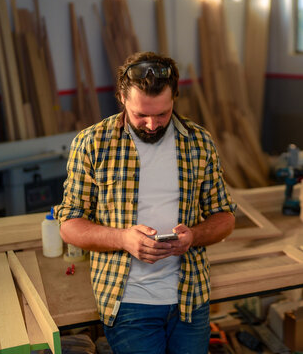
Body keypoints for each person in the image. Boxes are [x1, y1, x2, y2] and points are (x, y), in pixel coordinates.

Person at [54, 51, 236, 354]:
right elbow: (70, 225)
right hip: (128, 301)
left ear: (175, 97)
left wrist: (193, 237)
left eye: (162, 114)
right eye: (141, 115)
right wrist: (122, 238)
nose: (152, 125)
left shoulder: (199, 142)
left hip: (190, 297)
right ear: (122, 98)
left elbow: (225, 216)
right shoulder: (93, 143)